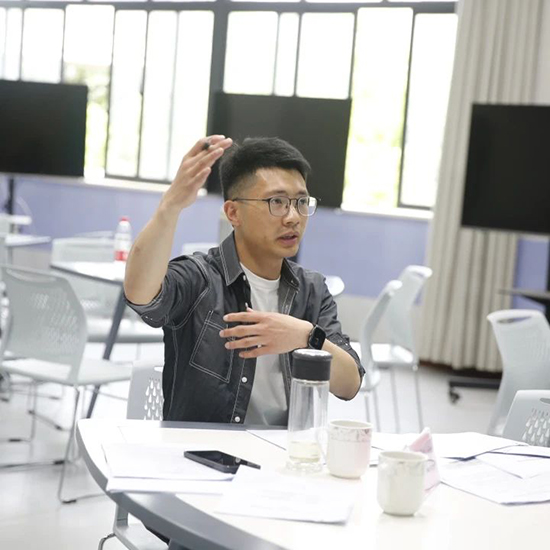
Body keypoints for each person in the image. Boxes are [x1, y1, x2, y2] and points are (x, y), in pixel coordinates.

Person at [124, 135, 364, 425]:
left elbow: (350, 384)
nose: (293, 217)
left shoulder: (311, 289)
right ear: (233, 212)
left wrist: (305, 336)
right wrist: (170, 206)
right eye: (277, 202)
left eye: (301, 202)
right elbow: (141, 295)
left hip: (284, 449)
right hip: (204, 449)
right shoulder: (201, 278)